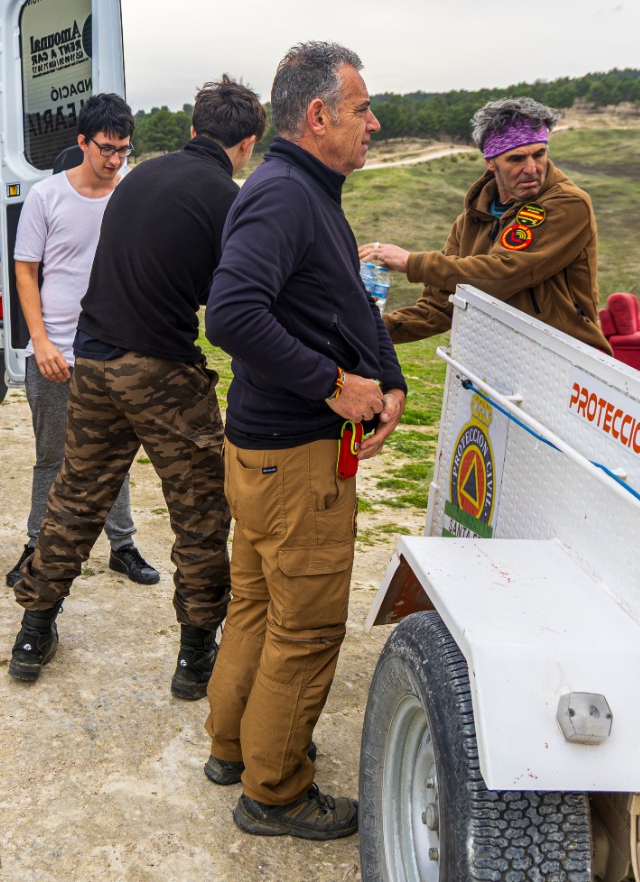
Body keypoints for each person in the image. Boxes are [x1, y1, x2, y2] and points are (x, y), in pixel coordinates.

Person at [202, 42, 406, 841]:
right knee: (307, 627)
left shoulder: (305, 190)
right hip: (295, 456)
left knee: (256, 604)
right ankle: (277, 791)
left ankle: (233, 748)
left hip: (266, 449)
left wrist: (382, 373)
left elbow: (328, 303)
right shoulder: (285, 195)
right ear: (317, 115)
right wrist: (335, 385)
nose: (373, 122)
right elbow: (233, 317)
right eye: (361, 109)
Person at [9, 77, 267, 698]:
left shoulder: (140, 178)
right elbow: (222, 300)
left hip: (92, 363)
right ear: (248, 144)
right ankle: (195, 655)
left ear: (191, 130)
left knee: (74, 498)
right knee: (200, 512)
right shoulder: (226, 198)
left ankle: (32, 631)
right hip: (160, 371)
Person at [5, 94, 156, 591]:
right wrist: (41, 342)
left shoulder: (131, 195)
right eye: (107, 148)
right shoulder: (47, 196)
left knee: (115, 452)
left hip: (116, 350)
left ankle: (123, 545)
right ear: (82, 143)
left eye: (124, 150)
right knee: (53, 456)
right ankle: (35, 546)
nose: (114, 160)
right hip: (56, 353)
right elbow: (25, 273)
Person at [360, 96, 611, 354]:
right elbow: (439, 308)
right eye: (516, 159)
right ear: (490, 162)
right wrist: (367, 329)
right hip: (499, 358)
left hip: (568, 360)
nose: (532, 168)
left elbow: (504, 273)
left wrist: (412, 262)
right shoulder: (470, 220)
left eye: (540, 154)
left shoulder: (568, 204)